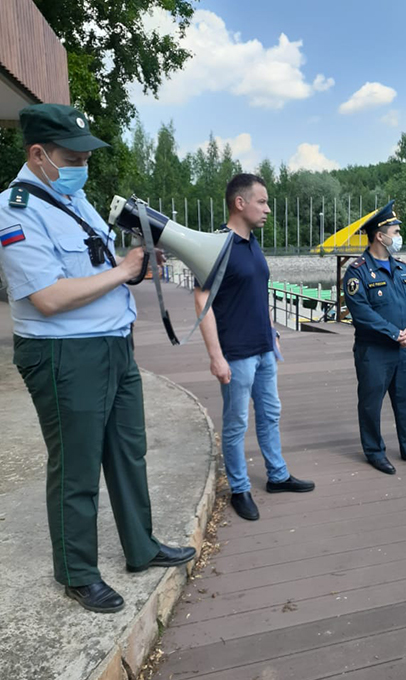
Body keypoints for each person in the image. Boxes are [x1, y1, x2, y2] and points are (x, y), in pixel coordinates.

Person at [0, 103, 196, 613]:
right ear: (38, 154)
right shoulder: (15, 208)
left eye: (87, 157)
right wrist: (123, 269)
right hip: (64, 354)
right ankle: (77, 571)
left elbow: (96, 264)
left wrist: (130, 268)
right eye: (73, 157)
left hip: (113, 345)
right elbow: (47, 297)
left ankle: (141, 545)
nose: (82, 166)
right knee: (77, 466)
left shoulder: (78, 201)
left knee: (128, 452)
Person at [194, 173, 315, 521]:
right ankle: (241, 488)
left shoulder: (251, 243)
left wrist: (272, 330)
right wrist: (216, 356)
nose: (268, 209)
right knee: (236, 424)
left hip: (263, 348)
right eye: (261, 201)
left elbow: (255, 293)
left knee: (270, 414)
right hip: (236, 354)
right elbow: (201, 300)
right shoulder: (216, 246)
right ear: (240, 203)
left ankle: (277, 476)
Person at [343, 200, 406, 475]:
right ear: (379, 235)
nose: (399, 237)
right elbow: (361, 312)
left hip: (404, 349)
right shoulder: (357, 271)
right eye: (395, 232)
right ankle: (375, 452)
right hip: (374, 351)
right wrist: (395, 333)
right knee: (371, 404)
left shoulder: (401, 268)